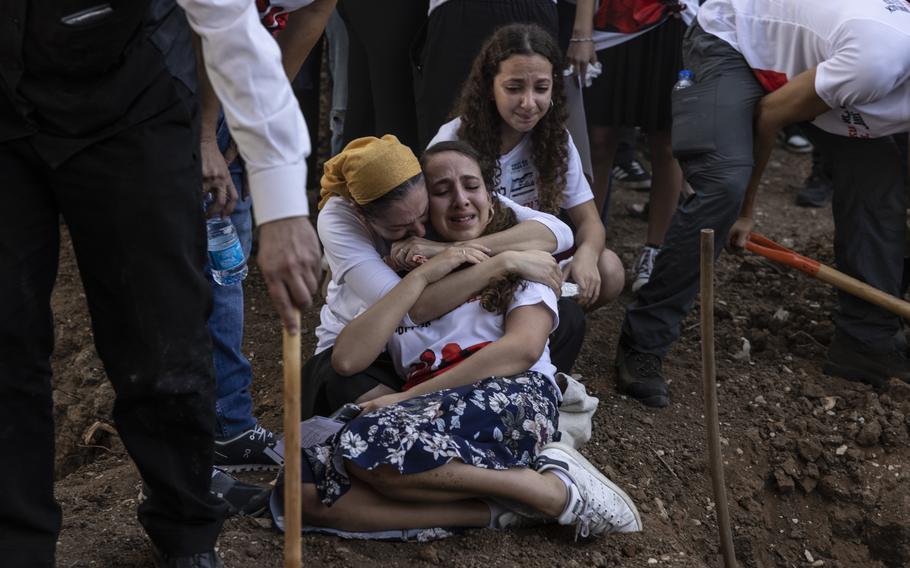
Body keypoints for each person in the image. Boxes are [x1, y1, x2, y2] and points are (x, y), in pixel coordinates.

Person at [0, 1, 320, 567]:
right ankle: (14, 544)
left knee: (160, 326)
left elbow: (230, 27)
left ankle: (187, 528)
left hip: (131, 99)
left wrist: (282, 204)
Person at [278, 141, 642, 538]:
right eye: (441, 192)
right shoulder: (398, 279)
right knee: (304, 492)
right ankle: (500, 511)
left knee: (370, 447)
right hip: (432, 405)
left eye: (472, 187)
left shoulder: (522, 264)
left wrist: (403, 398)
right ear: (424, 206)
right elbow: (346, 360)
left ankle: (553, 492)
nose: (460, 201)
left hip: (506, 394)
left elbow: (522, 348)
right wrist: (424, 273)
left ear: (491, 196)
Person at [616, 0, 910, 408]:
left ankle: (865, 342)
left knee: (879, 188)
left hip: (820, 66)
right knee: (725, 184)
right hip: (737, 39)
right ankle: (643, 340)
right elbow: (770, 115)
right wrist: (746, 210)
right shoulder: (877, 61)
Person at [304, 134, 579, 419]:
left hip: (477, 385)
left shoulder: (460, 203)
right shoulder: (340, 220)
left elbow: (560, 232)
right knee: (336, 383)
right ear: (362, 215)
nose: (420, 232)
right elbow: (409, 309)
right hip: (378, 344)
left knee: (565, 317)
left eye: (422, 216)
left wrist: (450, 249)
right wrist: (500, 262)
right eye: (401, 226)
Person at [195, 0, 335, 472]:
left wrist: (258, 131)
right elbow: (214, 23)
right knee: (210, 263)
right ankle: (217, 426)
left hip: (245, 85)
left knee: (225, 262)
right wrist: (204, 135)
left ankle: (225, 423)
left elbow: (312, 16)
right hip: (182, 75)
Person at [429, 23, 625, 312]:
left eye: (541, 88)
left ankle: (548, 328)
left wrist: (586, 253)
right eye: (514, 88)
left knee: (608, 268)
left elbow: (589, 221)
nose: (529, 103)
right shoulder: (453, 139)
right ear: (489, 86)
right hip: (474, 261)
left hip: (539, 253)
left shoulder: (556, 139)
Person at [571, 0, 697, 292]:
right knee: (598, 141)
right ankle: (584, 246)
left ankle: (655, 250)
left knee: (666, 142)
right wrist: (582, 30)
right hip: (614, 22)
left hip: (673, 22)